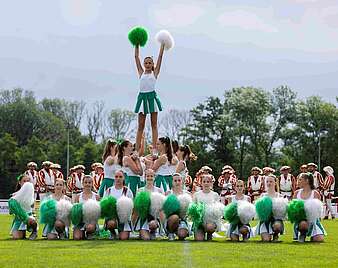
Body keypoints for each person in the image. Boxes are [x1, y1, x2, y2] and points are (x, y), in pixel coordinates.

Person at [134, 42, 165, 153]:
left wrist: (162, 45)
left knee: (154, 124)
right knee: (140, 126)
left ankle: (155, 149)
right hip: (142, 98)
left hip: (152, 98)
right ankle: (137, 150)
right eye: (146, 63)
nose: (147, 64)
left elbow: (160, 57)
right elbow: (136, 57)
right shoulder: (141, 72)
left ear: (152, 64)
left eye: (149, 63)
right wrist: (137, 44)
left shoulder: (155, 73)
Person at [293, 173, 326, 242]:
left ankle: (313, 235)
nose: (298, 182)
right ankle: (302, 234)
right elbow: (293, 209)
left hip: (313, 221)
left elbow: (319, 210)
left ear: (307, 180)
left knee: (319, 239)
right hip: (301, 220)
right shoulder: (296, 193)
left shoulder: (316, 193)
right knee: (303, 224)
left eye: (300, 180)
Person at [134, 169, 164, 240]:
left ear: (154, 177)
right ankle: (142, 232)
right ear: (145, 177)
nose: (149, 178)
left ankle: (153, 231)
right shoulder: (140, 190)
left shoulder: (159, 190)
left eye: (151, 176)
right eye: (148, 176)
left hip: (154, 218)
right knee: (146, 238)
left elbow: (162, 209)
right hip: (143, 217)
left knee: (153, 224)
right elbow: (136, 209)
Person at [104, 170, 134, 240]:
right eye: (116, 177)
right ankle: (113, 233)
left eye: (120, 177)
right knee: (111, 224)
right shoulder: (109, 190)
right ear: (114, 178)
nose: (118, 178)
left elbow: (132, 206)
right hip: (112, 216)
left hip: (124, 217)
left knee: (124, 238)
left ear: (124, 178)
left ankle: (122, 231)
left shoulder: (128, 191)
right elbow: (104, 205)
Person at [256, 175, 285, 242]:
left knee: (277, 226)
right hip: (265, 220)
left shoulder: (279, 196)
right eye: (267, 182)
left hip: (276, 219)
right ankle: (265, 232)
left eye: (271, 181)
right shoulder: (263, 196)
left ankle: (276, 234)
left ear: (275, 183)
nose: (269, 183)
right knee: (266, 240)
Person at [192, 174, 220, 241]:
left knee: (210, 227)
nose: (206, 183)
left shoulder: (215, 195)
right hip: (199, 221)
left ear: (211, 183)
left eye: (208, 181)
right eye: (204, 181)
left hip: (211, 221)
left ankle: (210, 234)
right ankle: (201, 231)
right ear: (201, 183)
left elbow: (218, 209)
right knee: (199, 239)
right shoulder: (196, 194)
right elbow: (193, 207)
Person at [9, 175, 38, 240]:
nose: (26, 183)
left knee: (31, 220)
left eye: (28, 181)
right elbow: (11, 212)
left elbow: (33, 208)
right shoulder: (14, 196)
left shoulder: (31, 195)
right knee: (16, 237)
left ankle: (34, 231)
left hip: (29, 217)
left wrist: (32, 217)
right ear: (19, 182)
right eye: (24, 181)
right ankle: (23, 232)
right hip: (19, 219)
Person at [165, 173, 191, 241]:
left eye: (179, 180)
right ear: (172, 182)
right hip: (171, 218)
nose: (177, 182)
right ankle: (170, 232)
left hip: (182, 219)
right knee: (175, 217)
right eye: (175, 180)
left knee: (182, 235)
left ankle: (181, 231)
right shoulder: (168, 193)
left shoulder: (187, 194)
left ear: (182, 181)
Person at [73, 175, 100, 240]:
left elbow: (99, 212)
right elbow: (74, 211)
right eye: (85, 182)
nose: (87, 184)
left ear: (92, 184)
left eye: (89, 182)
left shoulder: (96, 196)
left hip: (92, 221)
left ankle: (90, 233)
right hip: (80, 221)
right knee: (77, 238)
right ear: (82, 183)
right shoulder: (77, 196)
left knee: (90, 228)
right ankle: (82, 233)